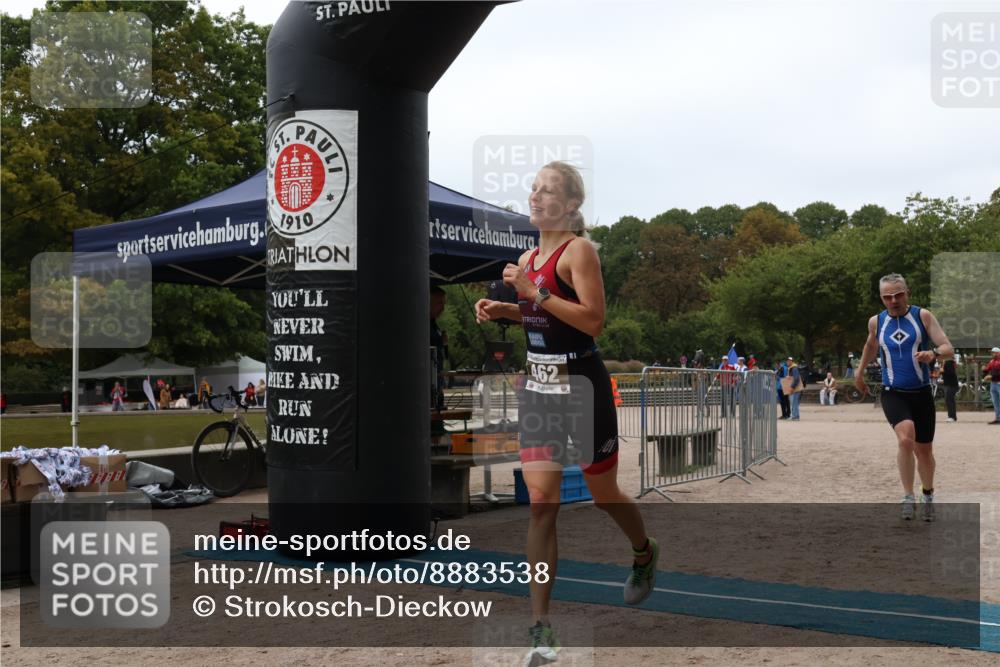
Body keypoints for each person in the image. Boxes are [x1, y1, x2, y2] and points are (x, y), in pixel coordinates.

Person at [474, 161, 657, 663]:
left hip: (582, 383)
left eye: (547, 191)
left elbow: (593, 321)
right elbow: (541, 314)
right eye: (533, 189)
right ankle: (540, 630)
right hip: (539, 383)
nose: (535, 198)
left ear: (571, 206)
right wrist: (507, 310)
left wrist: (533, 293)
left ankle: (643, 551)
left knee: (602, 494)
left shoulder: (579, 252)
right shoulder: (527, 255)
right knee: (541, 502)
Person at [853, 273, 954, 521]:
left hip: (920, 392)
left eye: (898, 294)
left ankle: (927, 494)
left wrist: (933, 354)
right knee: (906, 438)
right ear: (881, 298)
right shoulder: (876, 322)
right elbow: (870, 346)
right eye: (887, 297)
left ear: (907, 292)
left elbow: (948, 348)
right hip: (893, 392)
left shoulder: (923, 316)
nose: (893, 300)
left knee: (924, 450)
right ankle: (907, 496)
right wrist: (859, 371)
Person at [430, 285, 449, 411]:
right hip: (428, 385)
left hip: (438, 382)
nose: (443, 308)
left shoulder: (434, 324)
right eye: (439, 303)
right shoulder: (420, 323)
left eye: (443, 303)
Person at [983, 346, 1000, 425]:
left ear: (998, 353)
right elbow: (987, 370)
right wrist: (984, 370)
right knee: (995, 402)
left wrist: (991, 376)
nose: (992, 354)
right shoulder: (992, 361)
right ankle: (998, 418)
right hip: (993, 384)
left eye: (993, 352)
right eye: (992, 352)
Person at [941, 357, 958, 422]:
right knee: (950, 400)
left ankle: (951, 417)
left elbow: (951, 373)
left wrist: (943, 371)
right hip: (951, 384)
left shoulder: (948, 363)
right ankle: (953, 417)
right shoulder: (947, 362)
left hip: (952, 385)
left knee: (949, 400)